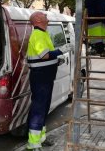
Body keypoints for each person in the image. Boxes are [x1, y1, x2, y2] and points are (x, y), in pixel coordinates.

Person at [26, 11, 72, 150]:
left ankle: (40, 139)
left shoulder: (43, 34)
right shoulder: (38, 34)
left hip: (45, 77)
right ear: (38, 20)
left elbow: (44, 59)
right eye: (45, 17)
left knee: (44, 107)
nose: (48, 18)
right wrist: (61, 51)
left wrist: (57, 60)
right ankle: (33, 145)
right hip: (40, 78)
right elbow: (45, 56)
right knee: (39, 108)